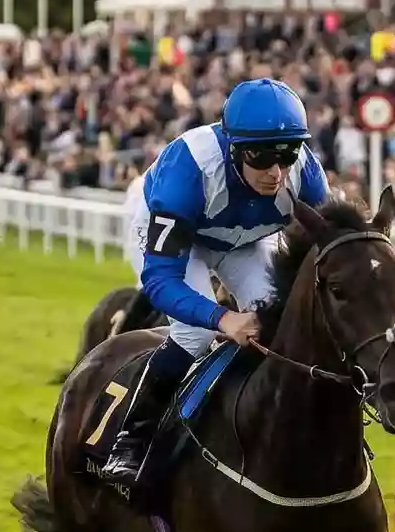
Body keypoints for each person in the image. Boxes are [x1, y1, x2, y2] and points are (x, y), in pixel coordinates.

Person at [93, 78, 329, 496]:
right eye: (261, 158)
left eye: (287, 155)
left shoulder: (305, 175)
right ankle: (131, 440)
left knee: (277, 324)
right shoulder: (189, 171)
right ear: (235, 148)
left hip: (243, 240)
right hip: (178, 237)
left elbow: (328, 248)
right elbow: (161, 281)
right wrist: (223, 316)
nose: (276, 172)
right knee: (197, 331)